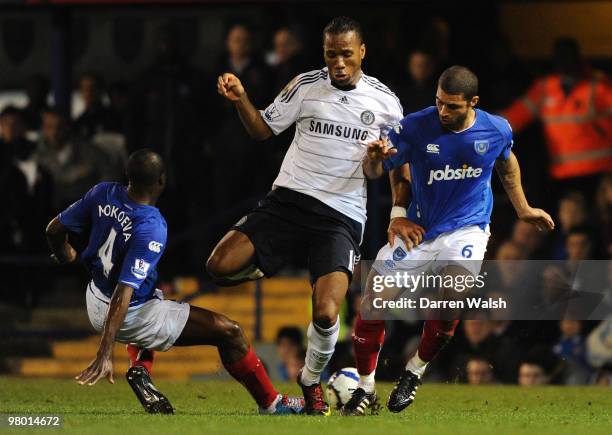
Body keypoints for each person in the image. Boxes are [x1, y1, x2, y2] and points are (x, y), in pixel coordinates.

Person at [210, 16, 403, 415]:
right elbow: (262, 129)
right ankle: (272, 262)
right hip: (288, 202)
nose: (339, 63)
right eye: (331, 54)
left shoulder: (386, 103)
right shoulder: (305, 85)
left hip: (340, 216)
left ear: (362, 52)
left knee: (328, 311)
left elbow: (378, 173)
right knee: (218, 266)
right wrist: (241, 98)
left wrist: (373, 162)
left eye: (347, 54)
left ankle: (311, 381)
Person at [344, 66, 554, 415]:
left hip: (468, 230)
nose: (443, 111)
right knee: (373, 299)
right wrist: (377, 166)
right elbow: (385, 167)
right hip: (421, 230)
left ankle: (415, 371)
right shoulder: (414, 125)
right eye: (439, 103)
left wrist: (523, 208)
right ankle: (365, 388)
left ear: (473, 102)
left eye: (452, 106)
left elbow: (506, 163)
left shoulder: (496, 129)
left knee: (449, 300)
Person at [45, 149, 304, 415]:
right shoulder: (151, 225)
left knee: (153, 295)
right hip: (126, 312)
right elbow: (124, 291)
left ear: (127, 175)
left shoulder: (102, 192)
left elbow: (53, 229)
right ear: (161, 181)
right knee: (231, 332)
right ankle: (272, 403)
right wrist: (105, 352)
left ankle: (141, 372)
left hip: (94, 296)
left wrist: (66, 254)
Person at [501, 38, 612, 199]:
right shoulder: (545, 88)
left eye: (568, 56)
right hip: (562, 176)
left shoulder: (599, 86)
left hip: (599, 174)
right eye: (560, 56)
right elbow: (512, 120)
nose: (564, 61)